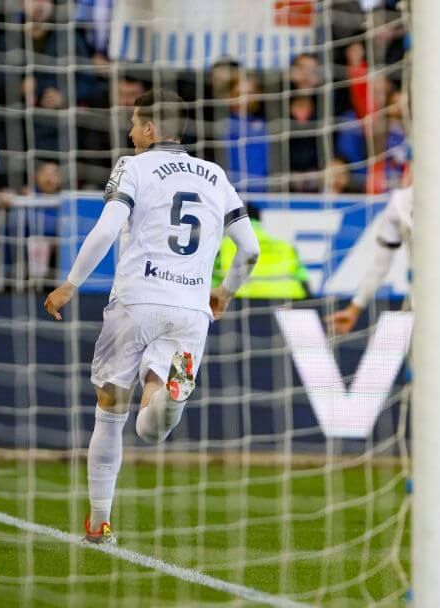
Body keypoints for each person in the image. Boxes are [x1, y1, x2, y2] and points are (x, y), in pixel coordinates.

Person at [43, 89, 260, 544]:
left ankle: (99, 520)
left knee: (109, 410)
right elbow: (251, 249)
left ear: (150, 129)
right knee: (153, 421)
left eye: (134, 124)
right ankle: (172, 398)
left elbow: (106, 227)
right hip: (191, 310)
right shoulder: (216, 175)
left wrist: (71, 283)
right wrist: (225, 292)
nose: (128, 133)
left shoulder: (133, 164)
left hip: (137, 300)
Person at [327, 179, 440, 492]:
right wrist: (356, 306)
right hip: (420, 310)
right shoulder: (400, 202)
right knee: (439, 391)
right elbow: (380, 261)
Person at [211, 203, 310, 300]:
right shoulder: (286, 246)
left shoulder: (222, 245)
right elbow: (303, 280)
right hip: (288, 299)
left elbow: (210, 281)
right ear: (259, 219)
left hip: (240, 299)